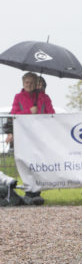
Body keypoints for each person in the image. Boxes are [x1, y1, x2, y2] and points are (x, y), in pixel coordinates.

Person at [5, 72, 55, 205]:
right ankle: (30, 192)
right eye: (26, 82)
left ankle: (35, 192)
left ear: (36, 84)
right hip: (24, 137)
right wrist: (29, 111)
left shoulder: (44, 97)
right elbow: (14, 114)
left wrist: (39, 113)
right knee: (26, 164)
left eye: (31, 82)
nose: (29, 85)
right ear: (23, 83)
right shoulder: (18, 97)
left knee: (38, 163)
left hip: (40, 136)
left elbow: (52, 114)